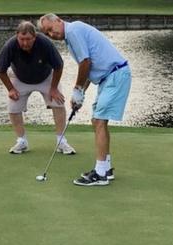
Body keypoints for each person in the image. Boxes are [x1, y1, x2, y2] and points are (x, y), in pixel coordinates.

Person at [38, 14, 132, 186]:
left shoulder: (73, 30)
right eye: (47, 33)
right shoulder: (72, 35)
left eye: (51, 29)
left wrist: (77, 90)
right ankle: (106, 168)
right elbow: (88, 67)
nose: (51, 34)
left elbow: (85, 63)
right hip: (109, 78)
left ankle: (100, 173)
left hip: (115, 75)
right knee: (97, 121)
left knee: (99, 121)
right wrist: (81, 94)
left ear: (58, 20)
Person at [0, 21, 76, 155]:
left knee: (58, 103)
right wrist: (10, 89)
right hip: (20, 78)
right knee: (13, 107)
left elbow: (59, 66)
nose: (25, 43)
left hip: (46, 77)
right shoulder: (10, 45)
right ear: (17, 36)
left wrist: (54, 88)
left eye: (28, 39)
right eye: (22, 39)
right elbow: (0, 69)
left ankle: (61, 141)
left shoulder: (45, 43)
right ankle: (22, 141)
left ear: (35, 37)